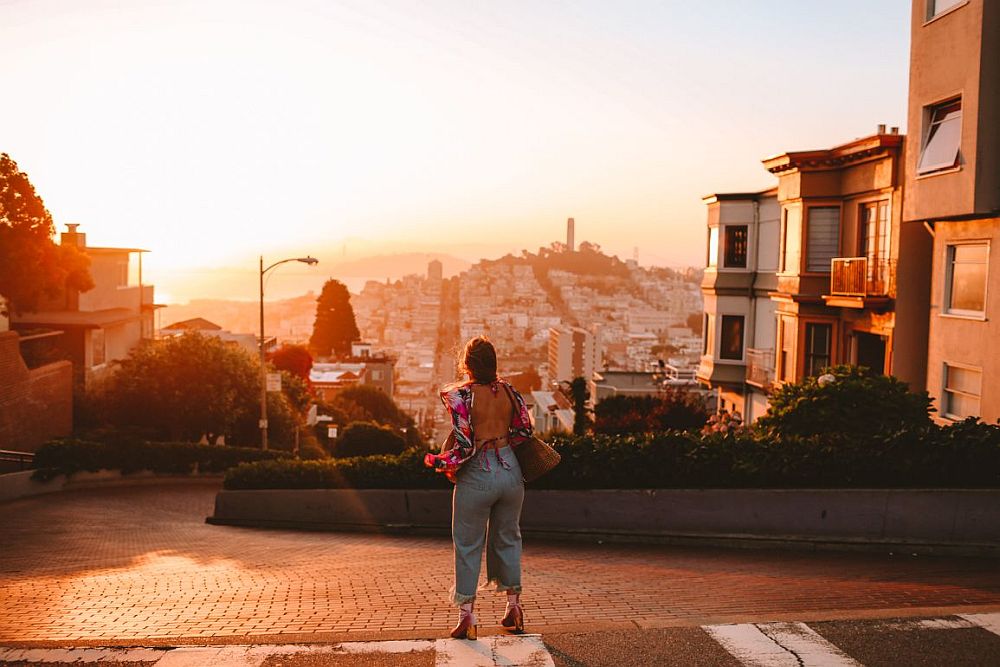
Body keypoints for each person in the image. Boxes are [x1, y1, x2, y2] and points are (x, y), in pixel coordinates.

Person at [424, 336, 533, 640]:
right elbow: (525, 431)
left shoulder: (461, 397)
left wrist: (438, 461)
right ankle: (514, 609)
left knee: (468, 544)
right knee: (509, 538)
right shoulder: (511, 392)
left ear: (467, 365)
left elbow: (464, 446)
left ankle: (467, 617)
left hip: (479, 475)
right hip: (511, 472)